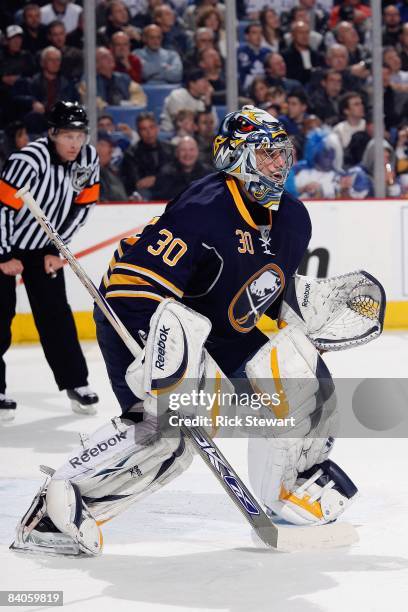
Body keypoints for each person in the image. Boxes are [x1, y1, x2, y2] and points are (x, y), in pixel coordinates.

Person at [11, 105, 363, 556]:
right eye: (267, 154)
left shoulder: (294, 218)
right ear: (235, 158)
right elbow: (130, 289)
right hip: (146, 324)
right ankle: (54, 516)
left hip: (223, 335)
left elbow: (268, 295)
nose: (279, 164)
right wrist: (156, 361)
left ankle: (289, 489)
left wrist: (309, 317)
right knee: (169, 434)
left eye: (283, 153)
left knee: (304, 376)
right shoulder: (203, 211)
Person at [0, 101, 99, 421]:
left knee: (57, 316)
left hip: (44, 248)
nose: (75, 143)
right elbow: (1, 209)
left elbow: (84, 207)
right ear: (53, 133)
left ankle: (76, 383)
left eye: (79, 135)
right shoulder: (27, 160)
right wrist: (3, 255)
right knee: (0, 318)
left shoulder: (88, 158)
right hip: (6, 244)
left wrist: (57, 250)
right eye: (68, 135)